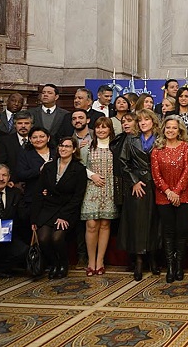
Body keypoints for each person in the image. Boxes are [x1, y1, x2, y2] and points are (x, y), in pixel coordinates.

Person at [31, 137, 87, 279]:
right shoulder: (48, 167)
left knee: (57, 238)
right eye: (61, 145)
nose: (63, 148)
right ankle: (54, 263)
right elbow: (39, 191)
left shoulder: (79, 169)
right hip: (47, 208)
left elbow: (78, 197)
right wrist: (34, 218)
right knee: (43, 239)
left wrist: (64, 215)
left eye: (68, 146)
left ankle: (63, 264)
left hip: (67, 210)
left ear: (74, 150)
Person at [118, 109, 162, 281]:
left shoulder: (160, 138)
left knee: (154, 222)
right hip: (138, 186)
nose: (143, 123)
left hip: (156, 184)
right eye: (140, 120)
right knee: (137, 224)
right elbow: (123, 162)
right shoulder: (131, 139)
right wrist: (134, 181)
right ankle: (138, 260)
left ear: (153, 121)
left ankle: (153, 258)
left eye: (146, 119)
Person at [151, 115, 188, 283]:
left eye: (174, 128)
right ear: (163, 129)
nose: (170, 130)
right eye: (168, 128)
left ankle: (179, 265)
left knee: (182, 232)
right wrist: (168, 192)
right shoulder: (156, 150)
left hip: (184, 195)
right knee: (168, 233)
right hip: (163, 196)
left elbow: (187, 171)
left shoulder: (186, 147)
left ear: (179, 129)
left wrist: (176, 191)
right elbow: (156, 175)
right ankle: (170, 267)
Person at [80, 117, 118, 277]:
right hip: (92, 188)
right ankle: (90, 261)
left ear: (110, 129)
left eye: (104, 127)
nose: (101, 130)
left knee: (104, 225)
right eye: (98, 127)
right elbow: (79, 165)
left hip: (109, 189)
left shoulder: (115, 146)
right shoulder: (87, 146)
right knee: (91, 225)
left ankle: (100, 261)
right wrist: (92, 175)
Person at [16, 127, 55, 223]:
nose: (38, 140)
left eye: (42, 136)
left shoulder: (57, 152)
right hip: (33, 198)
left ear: (48, 138)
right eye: (35, 137)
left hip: (55, 198)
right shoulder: (25, 154)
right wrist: (39, 170)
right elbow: (21, 174)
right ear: (30, 139)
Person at [0, 111, 34, 183]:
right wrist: (11, 180)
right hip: (11, 183)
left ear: (31, 125)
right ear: (14, 125)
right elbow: (1, 164)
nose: (23, 126)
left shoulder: (38, 141)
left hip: (33, 182)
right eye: (19, 123)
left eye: (26, 123)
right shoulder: (4, 141)